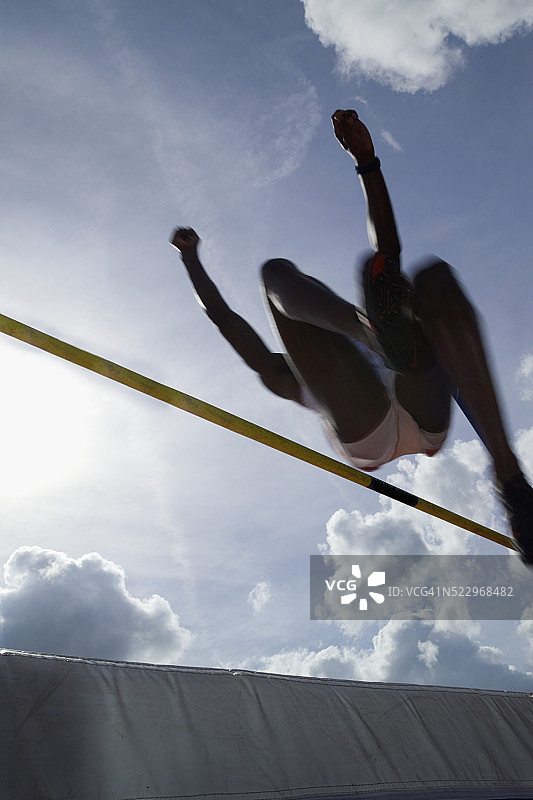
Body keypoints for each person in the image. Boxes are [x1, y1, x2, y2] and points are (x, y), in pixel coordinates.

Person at [170, 109, 533, 563]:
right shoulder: (292, 373)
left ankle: (512, 482)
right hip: (377, 424)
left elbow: (388, 259)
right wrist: (190, 260)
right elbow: (224, 318)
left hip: (410, 396)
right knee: (278, 274)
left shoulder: (309, 369)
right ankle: (368, 330)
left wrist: (367, 161)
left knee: (432, 280)